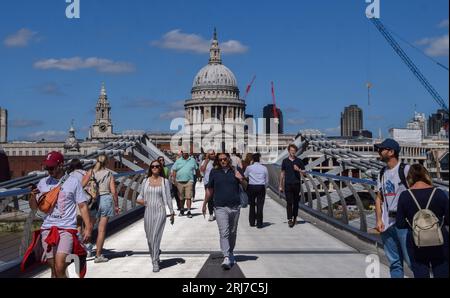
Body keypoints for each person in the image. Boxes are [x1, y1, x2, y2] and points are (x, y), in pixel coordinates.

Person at [28, 152, 92, 278]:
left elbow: (83, 206)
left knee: (60, 265)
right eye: (47, 168)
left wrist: (88, 228)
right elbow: (34, 207)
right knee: (53, 269)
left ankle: (78, 255)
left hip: (66, 228)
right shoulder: (43, 183)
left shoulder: (73, 182)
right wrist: (32, 196)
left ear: (61, 165)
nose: (49, 170)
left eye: (52, 167)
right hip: (48, 228)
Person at [396, 164, 449, 278]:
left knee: (420, 272)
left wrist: (413, 224)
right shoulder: (439, 193)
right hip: (439, 239)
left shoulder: (405, 195)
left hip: (416, 240)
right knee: (442, 271)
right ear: (426, 175)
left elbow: (399, 224)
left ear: (409, 177)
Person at [202, 153, 247, 270]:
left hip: (235, 206)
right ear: (218, 161)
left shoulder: (236, 170)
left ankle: (231, 252)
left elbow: (246, 186)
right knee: (224, 232)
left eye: (224, 159)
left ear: (228, 159)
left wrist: (240, 178)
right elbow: (210, 189)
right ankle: (226, 256)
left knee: (232, 232)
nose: (223, 161)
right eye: (220, 159)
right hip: (220, 206)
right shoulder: (214, 172)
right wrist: (205, 203)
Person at [374, 138, 411, 278]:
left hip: (404, 223)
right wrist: (378, 220)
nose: (379, 152)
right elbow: (379, 198)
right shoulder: (382, 172)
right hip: (387, 224)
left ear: (391, 152)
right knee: (394, 263)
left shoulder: (406, 170)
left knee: (412, 262)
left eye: (381, 149)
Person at [136, 160, 175, 273]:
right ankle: (156, 251)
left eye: (157, 166)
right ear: (150, 168)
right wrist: (143, 202)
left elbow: (168, 197)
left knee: (155, 236)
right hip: (148, 211)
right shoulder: (145, 181)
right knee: (149, 239)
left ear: (160, 168)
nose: (155, 168)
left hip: (160, 211)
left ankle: (155, 261)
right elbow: (139, 196)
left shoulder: (165, 182)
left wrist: (172, 212)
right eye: (152, 166)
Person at [82, 154, 119, 263]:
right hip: (106, 199)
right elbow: (113, 191)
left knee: (88, 227)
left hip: (93, 201)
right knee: (101, 230)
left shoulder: (91, 172)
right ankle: (98, 255)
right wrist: (116, 205)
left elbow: (80, 186)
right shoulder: (109, 173)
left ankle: (85, 251)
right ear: (107, 162)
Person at [279, 144, 306, 228]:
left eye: (294, 151)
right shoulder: (285, 161)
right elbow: (282, 174)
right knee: (289, 202)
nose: (293, 152)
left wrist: (299, 169)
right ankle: (290, 219)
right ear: (288, 151)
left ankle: (295, 217)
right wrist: (280, 185)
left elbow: (304, 173)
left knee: (296, 203)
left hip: (296, 184)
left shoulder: (299, 161)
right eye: (291, 150)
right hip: (287, 184)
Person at [244, 153, 269, 229]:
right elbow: (267, 180)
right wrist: (264, 187)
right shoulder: (264, 168)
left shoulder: (249, 167)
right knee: (260, 205)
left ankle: (252, 222)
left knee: (252, 205)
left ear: (252, 160)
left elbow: (245, 176)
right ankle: (259, 223)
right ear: (259, 159)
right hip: (261, 187)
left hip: (251, 186)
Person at [172, 152, 198, 218]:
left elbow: (197, 169)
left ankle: (189, 211)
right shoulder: (178, 161)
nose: (184, 154)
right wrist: (174, 180)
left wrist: (199, 176)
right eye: (183, 152)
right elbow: (174, 170)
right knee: (181, 198)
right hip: (179, 181)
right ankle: (182, 209)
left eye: (185, 152)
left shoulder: (192, 160)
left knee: (188, 197)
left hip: (189, 181)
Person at [200, 149, 216, 222]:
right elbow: (202, 170)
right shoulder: (205, 161)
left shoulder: (217, 161)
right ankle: (211, 214)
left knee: (216, 198)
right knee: (209, 198)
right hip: (207, 182)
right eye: (211, 154)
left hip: (216, 182)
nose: (213, 155)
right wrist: (206, 160)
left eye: (213, 154)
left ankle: (216, 211)